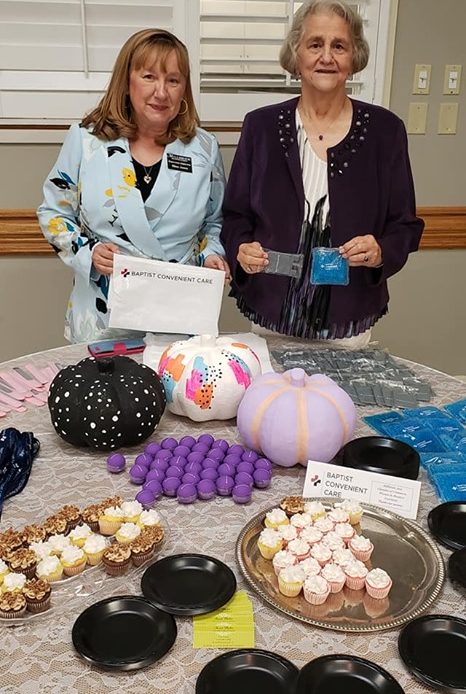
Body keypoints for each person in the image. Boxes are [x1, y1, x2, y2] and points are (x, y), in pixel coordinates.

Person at [220, 0, 424, 348]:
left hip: (348, 318)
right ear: (296, 54)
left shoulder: (386, 131)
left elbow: (405, 226)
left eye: (339, 46)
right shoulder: (260, 127)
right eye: (315, 44)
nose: (326, 57)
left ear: (354, 56)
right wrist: (241, 248)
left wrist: (380, 250)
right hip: (271, 312)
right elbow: (235, 216)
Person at [38, 29, 229, 344]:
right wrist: (88, 252)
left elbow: (214, 222)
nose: (161, 92)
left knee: (177, 378)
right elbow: (53, 213)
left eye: (173, 80)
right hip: (103, 315)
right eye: (149, 76)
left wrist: (212, 255)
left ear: (184, 89)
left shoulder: (204, 148)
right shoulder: (86, 141)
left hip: (178, 314)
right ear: (127, 81)